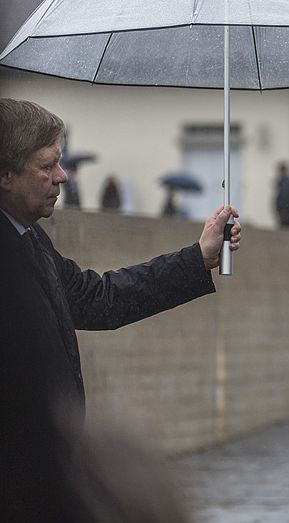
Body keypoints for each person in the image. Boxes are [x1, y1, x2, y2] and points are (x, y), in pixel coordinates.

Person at [0, 98, 242, 416]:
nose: (63, 176)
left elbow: (100, 300)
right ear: (5, 175)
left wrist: (198, 257)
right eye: (47, 166)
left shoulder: (32, 239)